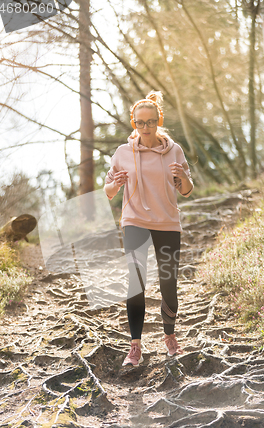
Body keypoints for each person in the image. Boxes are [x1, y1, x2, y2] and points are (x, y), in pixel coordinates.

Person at [104, 91, 194, 367]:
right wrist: (116, 184)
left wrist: (181, 178)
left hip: (167, 222)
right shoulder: (122, 153)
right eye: (140, 122)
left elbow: (188, 191)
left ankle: (169, 336)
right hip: (134, 221)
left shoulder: (174, 150)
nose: (145, 127)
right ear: (133, 123)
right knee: (136, 282)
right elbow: (107, 191)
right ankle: (135, 345)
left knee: (168, 283)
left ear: (159, 121)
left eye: (150, 122)